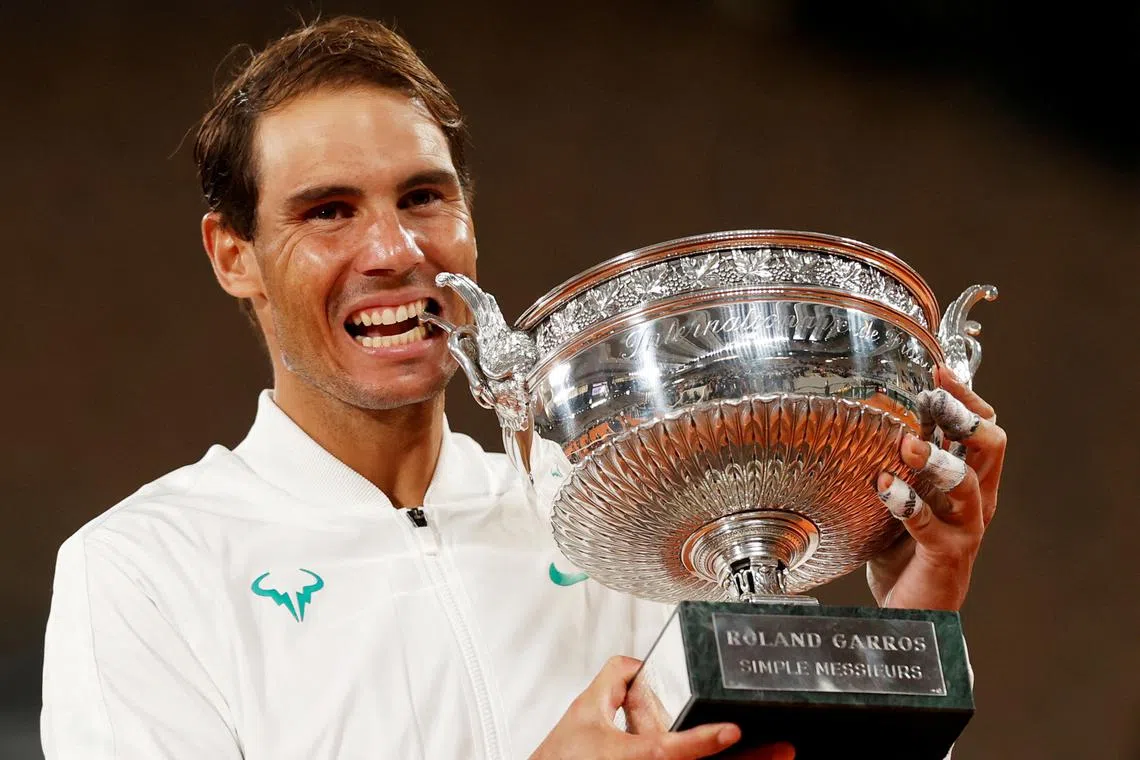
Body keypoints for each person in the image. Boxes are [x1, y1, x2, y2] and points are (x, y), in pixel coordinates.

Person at [40, 16, 1006, 760]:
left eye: (423, 197)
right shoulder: (142, 571)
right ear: (233, 254)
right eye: (328, 211)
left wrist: (912, 626)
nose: (395, 251)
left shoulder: (633, 508)